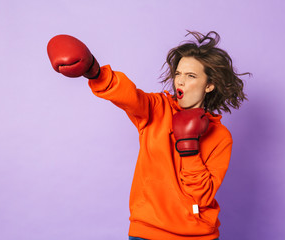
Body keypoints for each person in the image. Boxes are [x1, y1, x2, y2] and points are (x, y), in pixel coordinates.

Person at [47, 31, 249, 240]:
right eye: (178, 74)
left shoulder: (220, 136)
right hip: (147, 232)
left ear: (209, 85)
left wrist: (189, 147)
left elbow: (202, 196)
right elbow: (128, 96)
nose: (180, 81)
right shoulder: (156, 109)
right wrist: (95, 72)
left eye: (191, 76)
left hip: (198, 235)